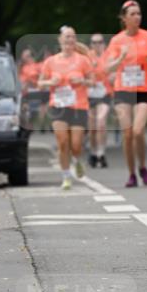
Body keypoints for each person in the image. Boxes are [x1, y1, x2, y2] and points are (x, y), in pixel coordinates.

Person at [104, 0, 147, 187]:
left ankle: (142, 166)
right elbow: (107, 68)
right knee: (127, 133)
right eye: (133, 14)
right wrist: (120, 57)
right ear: (124, 18)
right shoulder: (117, 40)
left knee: (138, 130)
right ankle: (132, 173)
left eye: (139, 13)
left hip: (144, 89)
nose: (137, 17)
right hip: (123, 89)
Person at [38, 27, 93, 190]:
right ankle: (66, 176)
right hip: (58, 106)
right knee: (62, 143)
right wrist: (50, 83)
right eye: (67, 37)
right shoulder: (51, 61)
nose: (69, 40)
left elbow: (92, 81)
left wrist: (82, 80)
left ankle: (77, 160)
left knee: (76, 145)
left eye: (73, 37)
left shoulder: (83, 60)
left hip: (78, 106)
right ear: (60, 40)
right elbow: (40, 84)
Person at [87, 34, 113, 168]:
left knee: (101, 123)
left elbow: (114, 72)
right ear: (91, 44)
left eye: (100, 42)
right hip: (90, 94)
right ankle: (92, 151)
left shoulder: (108, 56)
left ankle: (101, 153)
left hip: (105, 93)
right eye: (94, 42)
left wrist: (112, 76)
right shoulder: (87, 56)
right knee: (92, 128)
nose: (97, 44)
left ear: (104, 43)